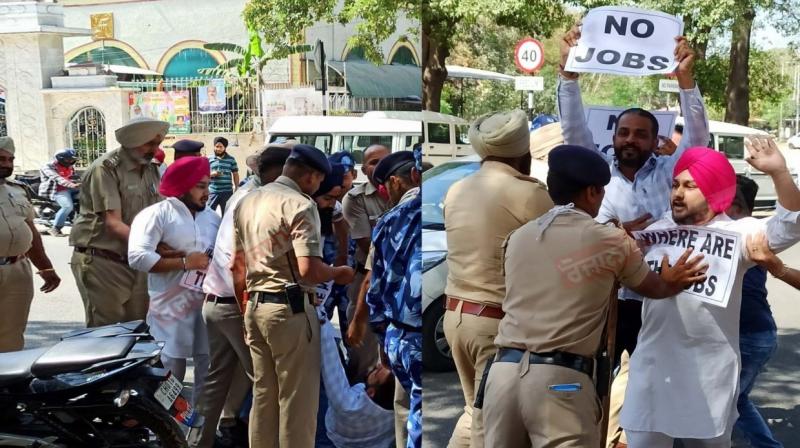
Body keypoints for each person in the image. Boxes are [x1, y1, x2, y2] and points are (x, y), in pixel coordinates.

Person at [482, 145, 707, 447]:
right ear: (592, 192)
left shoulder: (518, 237)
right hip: (561, 382)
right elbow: (655, 288)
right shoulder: (610, 240)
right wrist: (672, 279)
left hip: (502, 376)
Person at [558, 24, 709, 448]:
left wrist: (686, 83)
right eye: (624, 132)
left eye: (641, 134)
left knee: (659, 382)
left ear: (653, 139)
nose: (630, 139)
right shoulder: (597, 173)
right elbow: (572, 133)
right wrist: (568, 76)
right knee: (598, 382)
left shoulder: (672, 173)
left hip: (662, 296)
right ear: (613, 136)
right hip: (607, 300)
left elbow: (698, 138)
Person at [619, 138, 800, 447]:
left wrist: (779, 173)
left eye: (690, 186)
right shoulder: (653, 233)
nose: (677, 193)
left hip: (709, 375)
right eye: (675, 184)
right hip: (652, 371)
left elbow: (792, 225)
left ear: (714, 190)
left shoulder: (739, 234)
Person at [442, 110, 554, 448]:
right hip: (496, 324)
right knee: (489, 422)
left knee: (474, 408)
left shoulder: (457, 190)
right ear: (524, 154)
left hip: (456, 318)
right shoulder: (530, 194)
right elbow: (555, 251)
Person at [231, 144, 355, 447]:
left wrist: (245, 309)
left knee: (264, 397)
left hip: (255, 306)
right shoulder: (299, 204)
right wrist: (338, 273)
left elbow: (236, 266)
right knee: (297, 402)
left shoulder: (247, 201)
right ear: (312, 176)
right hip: (290, 310)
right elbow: (308, 271)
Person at [189, 145, 293, 448]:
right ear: (279, 172)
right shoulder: (254, 201)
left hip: (218, 302)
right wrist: (248, 311)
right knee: (267, 383)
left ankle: (198, 441)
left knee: (217, 381)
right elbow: (237, 264)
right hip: (235, 303)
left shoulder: (247, 194)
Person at [128, 156, 219, 406]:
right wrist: (184, 263)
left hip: (205, 307)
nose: (207, 192)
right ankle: (165, 430)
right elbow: (137, 257)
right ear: (181, 186)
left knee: (208, 368)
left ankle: (200, 433)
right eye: (200, 186)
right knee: (169, 375)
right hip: (169, 311)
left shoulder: (212, 218)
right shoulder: (155, 215)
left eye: (208, 185)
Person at [70, 117, 168, 327]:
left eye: (157, 144)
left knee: (138, 332)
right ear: (132, 141)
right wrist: (156, 247)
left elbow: (159, 213)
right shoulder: (105, 169)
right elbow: (112, 223)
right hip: (104, 261)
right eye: (149, 144)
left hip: (137, 260)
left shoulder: (151, 169)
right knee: (106, 335)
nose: (154, 149)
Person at [365, 150, 422, 448]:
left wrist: (381, 338)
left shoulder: (389, 220)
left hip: (399, 335)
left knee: (410, 409)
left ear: (398, 182)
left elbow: (376, 288)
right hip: (419, 331)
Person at [725, 176, 783, 448]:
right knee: (735, 398)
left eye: (730, 203)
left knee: (732, 400)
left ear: (741, 208)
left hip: (750, 335)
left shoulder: (750, 236)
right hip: (752, 334)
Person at [0, 136, 60, 352]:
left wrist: (45, 267)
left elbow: (31, 233)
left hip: (18, 270)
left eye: (10, 159)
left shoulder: (17, 190)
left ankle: (7, 382)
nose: (6, 164)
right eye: (1, 159)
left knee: (12, 334)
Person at [343, 144, 391, 381]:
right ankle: (360, 402)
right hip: (367, 278)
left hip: (397, 282)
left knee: (392, 356)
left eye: (384, 160)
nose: (379, 165)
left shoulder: (403, 192)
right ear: (364, 168)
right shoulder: (355, 199)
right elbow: (367, 244)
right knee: (363, 352)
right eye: (373, 162)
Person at [317, 308, 396, 448]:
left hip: (330, 436)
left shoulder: (348, 405)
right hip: (368, 439)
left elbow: (330, 363)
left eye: (377, 371)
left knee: (319, 378)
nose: (378, 365)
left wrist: (320, 315)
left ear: (370, 393)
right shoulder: (394, 417)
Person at [39, 148, 80, 237]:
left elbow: (74, 177)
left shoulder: (69, 166)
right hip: (56, 190)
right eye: (69, 159)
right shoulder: (48, 166)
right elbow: (57, 178)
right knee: (67, 206)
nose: (71, 161)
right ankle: (55, 228)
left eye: (72, 159)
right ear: (61, 158)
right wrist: (71, 185)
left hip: (69, 188)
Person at [208, 136, 240, 214]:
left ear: (225, 147)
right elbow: (203, 174)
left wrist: (236, 187)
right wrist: (211, 174)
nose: (218, 149)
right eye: (216, 146)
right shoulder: (209, 159)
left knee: (226, 214)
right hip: (212, 192)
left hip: (227, 192)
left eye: (220, 147)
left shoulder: (231, 159)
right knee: (208, 213)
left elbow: (235, 174)